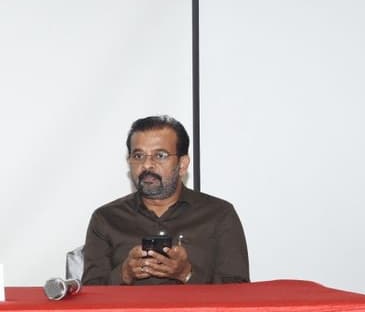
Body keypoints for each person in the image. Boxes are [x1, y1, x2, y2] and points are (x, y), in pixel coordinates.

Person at [83, 115, 248, 285]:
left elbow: (238, 291)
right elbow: (90, 294)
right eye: (138, 156)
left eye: (160, 155)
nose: (147, 165)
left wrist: (187, 274)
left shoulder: (218, 215)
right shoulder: (106, 218)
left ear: (182, 164)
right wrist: (124, 274)